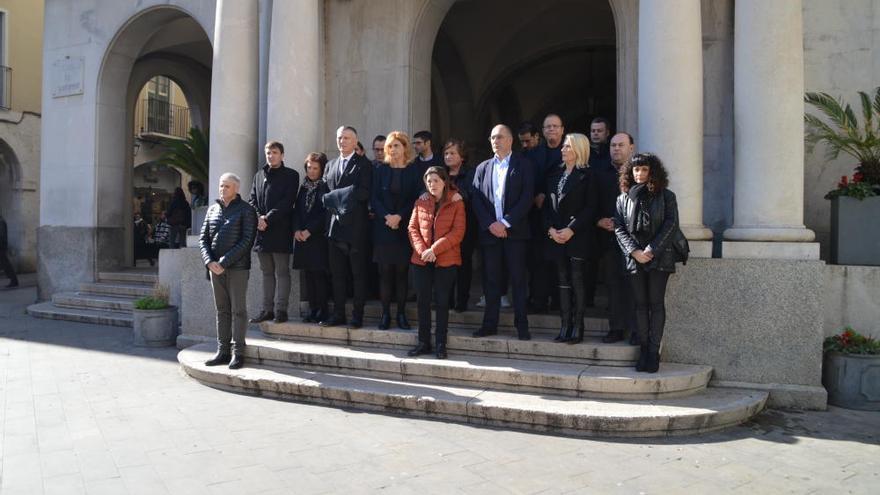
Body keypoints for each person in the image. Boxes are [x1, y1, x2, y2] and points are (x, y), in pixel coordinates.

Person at [614, 153, 681, 373]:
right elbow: (619, 228)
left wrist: (651, 250)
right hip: (635, 258)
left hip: (659, 256)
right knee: (640, 305)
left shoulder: (666, 196)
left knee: (655, 303)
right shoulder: (623, 198)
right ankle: (643, 350)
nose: (640, 174)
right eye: (636, 170)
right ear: (630, 173)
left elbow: (671, 224)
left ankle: (653, 352)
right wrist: (634, 251)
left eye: (643, 169)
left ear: (652, 171)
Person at [471, 124, 534, 340]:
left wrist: (506, 223)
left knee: (518, 279)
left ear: (510, 140)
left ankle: (522, 325)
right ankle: (489, 324)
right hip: (490, 234)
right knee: (491, 280)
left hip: (515, 233)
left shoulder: (524, 165)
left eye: (500, 137)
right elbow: (476, 199)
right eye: (492, 137)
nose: (495, 141)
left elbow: (527, 198)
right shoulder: (482, 168)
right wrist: (491, 224)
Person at [542, 133, 599, 344]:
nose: (563, 150)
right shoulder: (554, 174)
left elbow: (591, 207)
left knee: (577, 280)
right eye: (563, 147)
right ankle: (564, 325)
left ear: (579, 150)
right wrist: (550, 230)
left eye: (568, 147)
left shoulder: (589, 175)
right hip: (556, 236)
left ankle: (578, 327)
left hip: (578, 237)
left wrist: (571, 229)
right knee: (563, 281)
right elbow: (547, 207)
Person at [200, 172, 258, 370]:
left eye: (227, 186)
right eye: (221, 185)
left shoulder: (246, 210)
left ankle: (238, 353)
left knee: (238, 311)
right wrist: (209, 262)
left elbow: (247, 240)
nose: (222, 189)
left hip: (237, 268)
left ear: (236, 189)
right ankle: (222, 351)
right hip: (215, 269)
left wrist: (223, 262)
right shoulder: (212, 209)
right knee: (222, 310)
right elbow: (203, 239)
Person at [407, 166, 466, 359]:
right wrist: (424, 251)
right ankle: (423, 342)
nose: (432, 185)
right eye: (429, 181)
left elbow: (458, 233)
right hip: (422, 260)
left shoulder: (456, 203)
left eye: (436, 181)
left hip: (446, 259)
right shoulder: (420, 201)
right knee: (423, 302)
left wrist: (434, 250)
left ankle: (441, 343)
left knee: (442, 303)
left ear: (444, 182)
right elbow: (412, 229)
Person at [321, 125, 373, 329]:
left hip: (355, 227)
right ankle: (338, 314)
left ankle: (357, 315)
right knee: (337, 274)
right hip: (334, 227)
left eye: (347, 138)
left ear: (355, 140)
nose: (342, 141)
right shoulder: (330, 165)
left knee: (358, 273)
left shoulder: (364, 164)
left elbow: (363, 192)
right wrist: (340, 196)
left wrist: (337, 197)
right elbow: (324, 193)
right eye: (339, 137)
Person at [371, 131, 423, 330]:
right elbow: (374, 198)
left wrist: (399, 216)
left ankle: (401, 314)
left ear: (404, 149)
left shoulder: (412, 170)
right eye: (390, 147)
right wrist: (387, 216)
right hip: (383, 227)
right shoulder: (379, 169)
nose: (392, 150)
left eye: (396, 146)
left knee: (401, 273)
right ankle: (385, 315)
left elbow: (415, 198)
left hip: (403, 227)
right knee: (385, 272)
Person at [248, 140, 300, 324]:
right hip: (262, 232)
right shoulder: (258, 175)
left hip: (280, 230)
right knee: (266, 272)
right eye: (268, 153)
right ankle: (267, 310)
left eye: (275, 152)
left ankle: (281, 310)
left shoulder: (291, 175)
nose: (271, 156)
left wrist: (267, 218)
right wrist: (258, 218)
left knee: (282, 271)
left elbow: (287, 202)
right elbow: (252, 200)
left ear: (282, 155)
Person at [598, 132, 637, 344]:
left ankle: (635, 330)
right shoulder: (600, 173)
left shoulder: (639, 173)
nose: (616, 149)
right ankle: (616, 328)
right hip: (609, 240)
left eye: (621, 145)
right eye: (613, 145)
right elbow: (591, 202)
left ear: (631, 147)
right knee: (613, 285)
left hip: (633, 242)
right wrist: (598, 220)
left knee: (633, 286)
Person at [292, 152, 331, 323]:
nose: (312, 171)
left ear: (322, 169)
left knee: (319, 275)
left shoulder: (326, 186)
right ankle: (312, 309)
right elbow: (296, 211)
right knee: (307, 275)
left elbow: (325, 213)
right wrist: (296, 230)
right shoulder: (303, 187)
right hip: (302, 238)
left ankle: (322, 310)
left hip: (317, 237)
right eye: (309, 168)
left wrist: (310, 230)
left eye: (315, 168)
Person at [443, 139, 477, 312]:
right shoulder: (441, 174)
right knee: (445, 263)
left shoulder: (471, 173)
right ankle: (445, 300)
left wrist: (460, 194)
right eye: (446, 153)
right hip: (444, 227)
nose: (448, 156)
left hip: (466, 226)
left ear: (462, 157)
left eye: (452, 153)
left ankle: (461, 301)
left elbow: (473, 195)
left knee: (463, 263)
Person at [0, 214, 19, 288]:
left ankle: (14, 280)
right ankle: (13, 280)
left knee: (6, 264)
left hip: (1, 246)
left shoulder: (1, 222)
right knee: (5, 264)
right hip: (1, 245)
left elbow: (1, 236)